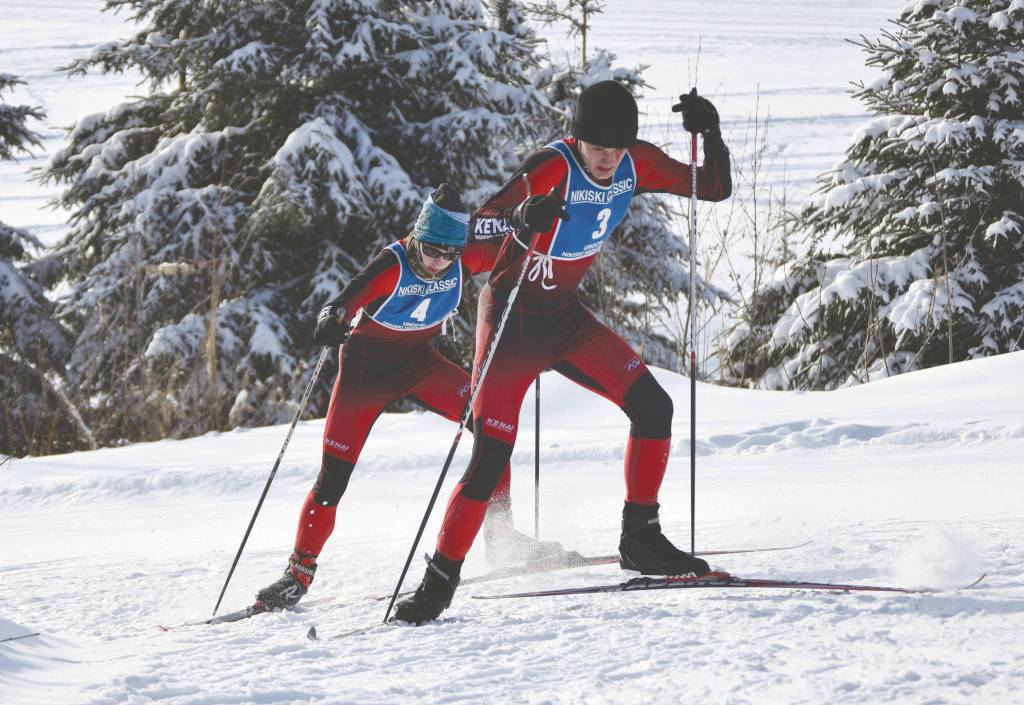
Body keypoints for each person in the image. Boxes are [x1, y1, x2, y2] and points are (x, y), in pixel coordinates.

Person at [393, 81, 732, 624]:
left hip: (563, 318)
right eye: (598, 149)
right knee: (490, 457)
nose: (608, 161)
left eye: (618, 150)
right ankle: (436, 586)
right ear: (576, 138)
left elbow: (712, 187)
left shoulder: (634, 164)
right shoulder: (549, 167)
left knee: (654, 407)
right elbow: (474, 241)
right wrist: (520, 218)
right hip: (509, 321)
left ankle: (641, 539)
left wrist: (709, 133)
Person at [255, 184, 553, 609]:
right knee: (332, 478)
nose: (438, 262)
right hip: (364, 376)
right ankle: (297, 575)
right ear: (417, 236)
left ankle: (501, 537)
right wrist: (332, 318)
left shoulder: (459, 258)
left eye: (449, 254)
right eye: (431, 250)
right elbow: (345, 300)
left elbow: (513, 248)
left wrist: (528, 221)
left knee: (491, 427)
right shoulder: (393, 264)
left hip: (420, 364)